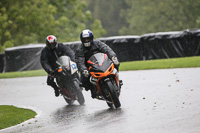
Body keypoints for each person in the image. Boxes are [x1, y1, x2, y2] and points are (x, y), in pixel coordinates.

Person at [75, 29, 123, 98]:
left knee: (116, 63)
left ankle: (117, 78)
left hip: (103, 62)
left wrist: (113, 57)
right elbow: (79, 61)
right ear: (82, 40)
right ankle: (93, 90)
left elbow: (107, 49)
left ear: (91, 38)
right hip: (89, 67)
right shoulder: (80, 50)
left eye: (88, 39)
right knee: (83, 81)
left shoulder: (97, 43)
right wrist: (83, 69)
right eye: (85, 39)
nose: (86, 41)